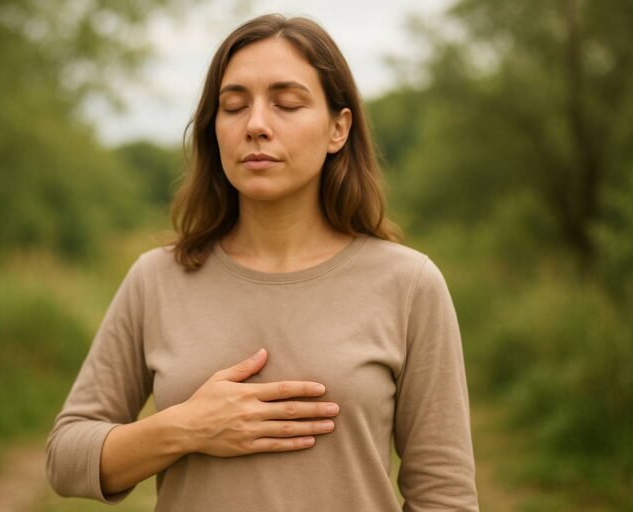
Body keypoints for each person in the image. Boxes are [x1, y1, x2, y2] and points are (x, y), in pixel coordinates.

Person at [46, 13, 479, 512]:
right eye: (233, 107)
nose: (255, 125)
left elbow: (445, 496)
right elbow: (65, 456)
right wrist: (187, 427)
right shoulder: (156, 278)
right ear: (215, 130)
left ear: (338, 128)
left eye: (287, 103)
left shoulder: (409, 284)